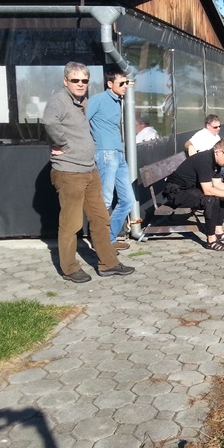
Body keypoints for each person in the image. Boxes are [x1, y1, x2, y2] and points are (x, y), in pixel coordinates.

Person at [43, 62, 135, 283]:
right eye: (75, 80)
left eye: (84, 80)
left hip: (89, 169)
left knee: (101, 218)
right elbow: (49, 122)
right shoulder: (59, 100)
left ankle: (108, 263)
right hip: (69, 171)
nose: (80, 84)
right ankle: (69, 268)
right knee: (71, 223)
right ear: (66, 81)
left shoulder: (82, 101)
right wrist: (61, 143)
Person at [164, 138, 224, 251]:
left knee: (223, 197)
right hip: (176, 192)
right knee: (210, 200)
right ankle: (211, 240)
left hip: (190, 189)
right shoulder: (204, 160)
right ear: (219, 152)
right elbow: (208, 191)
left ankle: (218, 231)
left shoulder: (217, 161)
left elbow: (218, 184)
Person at [86, 66, 137, 250]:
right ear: (110, 84)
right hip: (105, 154)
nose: (125, 86)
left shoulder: (117, 101)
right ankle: (101, 242)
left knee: (128, 200)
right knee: (105, 200)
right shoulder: (98, 100)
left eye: (126, 83)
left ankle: (110, 239)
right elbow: (81, 123)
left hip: (118, 154)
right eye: (121, 83)